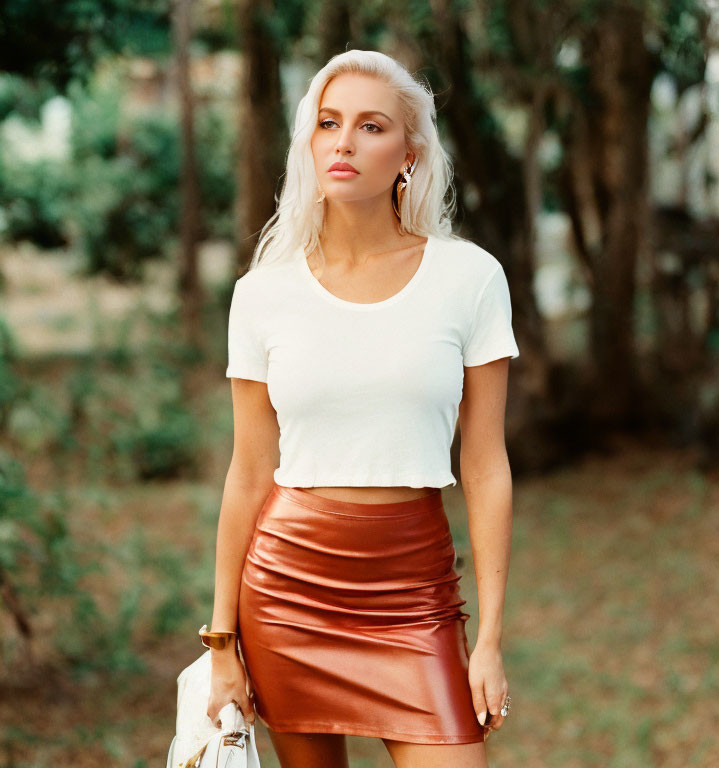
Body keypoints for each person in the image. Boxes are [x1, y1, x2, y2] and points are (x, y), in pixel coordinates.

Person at [204, 49, 520, 768]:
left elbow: (486, 464)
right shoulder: (263, 294)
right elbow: (248, 473)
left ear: (409, 154)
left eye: (370, 126)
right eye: (327, 122)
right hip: (288, 593)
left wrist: (491, 640)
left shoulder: (468, 278)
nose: (343, 141)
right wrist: (222, 642)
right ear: (309, 143)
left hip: (416, 590)